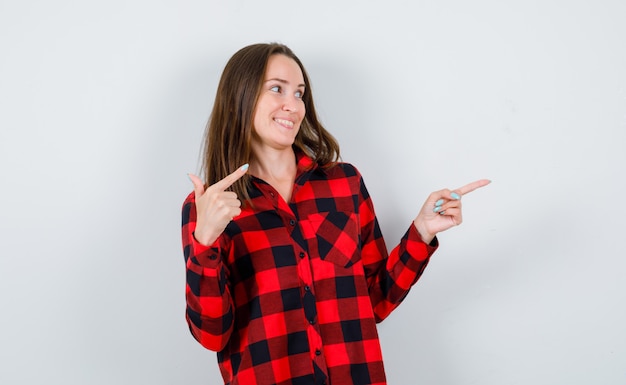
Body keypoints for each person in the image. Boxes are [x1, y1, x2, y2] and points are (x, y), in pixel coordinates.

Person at [182, 43, 490, 385]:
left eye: (299, 93)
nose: (293, 105)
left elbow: (374, 302)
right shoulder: (209, 207)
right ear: (240, 97)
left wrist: (421, 232)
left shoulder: (344, 184)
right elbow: (212, 336)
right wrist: (204, 242)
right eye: (276, 89)